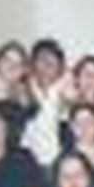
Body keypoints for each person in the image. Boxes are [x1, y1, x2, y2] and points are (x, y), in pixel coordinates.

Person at [23, 39, 70, 168]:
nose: (46, 65)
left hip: (59, 165)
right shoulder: (22, 94)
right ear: (33, 64)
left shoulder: (67, 95)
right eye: (42, 59)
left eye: (52, 61)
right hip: (27, 164)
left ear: (60, 66)